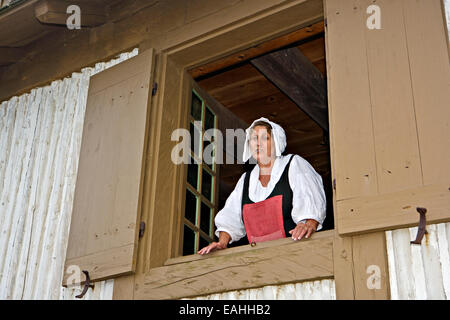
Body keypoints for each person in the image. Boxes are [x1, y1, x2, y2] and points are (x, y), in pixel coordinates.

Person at [198, 117, 326, 255]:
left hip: (295, 253)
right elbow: (230, 216)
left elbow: (312, 202)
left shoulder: (293, 164)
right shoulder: (246, 180)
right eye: (254, 139)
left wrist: (308, 224)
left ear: (276, 142)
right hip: (259, 260)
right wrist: (222, 243)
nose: (258, 143)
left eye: (265, 138)